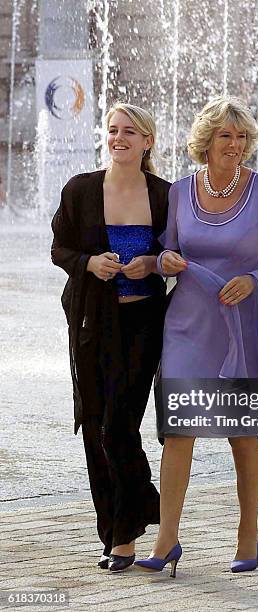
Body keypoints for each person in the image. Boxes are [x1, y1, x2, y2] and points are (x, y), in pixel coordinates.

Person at [134, 96, 258, 576]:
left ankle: (248, 531)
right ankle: (167, 539)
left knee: (241, 433)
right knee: (179, 432)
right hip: (187, 322)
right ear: (207, 142)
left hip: (241, 324)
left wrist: (257, 278)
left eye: (243, 136)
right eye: (227, 136)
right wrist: (166, 260)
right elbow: (169, 249)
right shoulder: (181, 191)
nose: (236, 144)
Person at [51, 103, 171, 572]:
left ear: (147, 142)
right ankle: (120, 533)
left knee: (117, 428)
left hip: (143, 324)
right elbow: (60, 247)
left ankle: (133, 521)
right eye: (113, 130)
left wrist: (154, 262)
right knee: (95, 430)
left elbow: (176, 249)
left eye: (129, 132)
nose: (119, 138)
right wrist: (88, 264)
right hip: (91, 323)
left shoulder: (164, 195)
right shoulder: (80, 189)